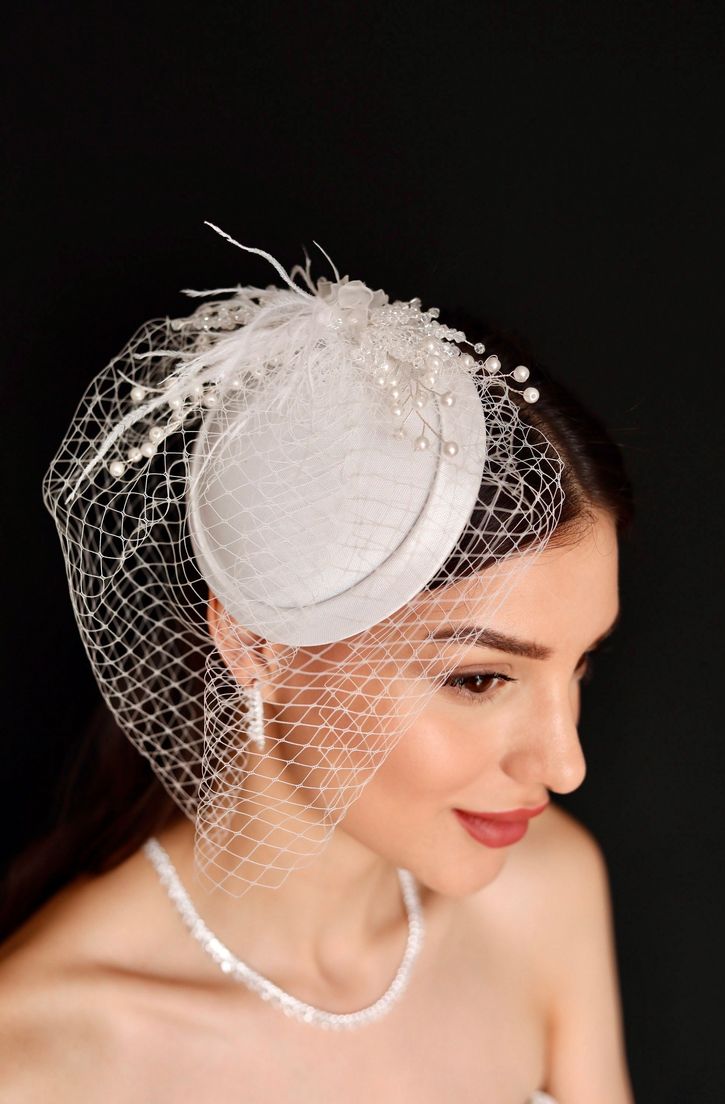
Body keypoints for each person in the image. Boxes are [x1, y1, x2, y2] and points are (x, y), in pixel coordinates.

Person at [0, 230, 636, 1103]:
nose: (565, 765)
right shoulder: (44, 1055)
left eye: (582, 668)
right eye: (480, 679)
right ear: (259, 643)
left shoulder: (545, 895)